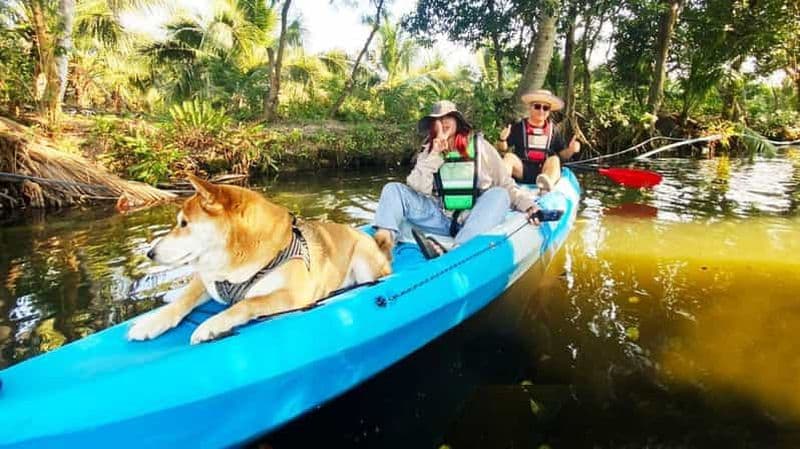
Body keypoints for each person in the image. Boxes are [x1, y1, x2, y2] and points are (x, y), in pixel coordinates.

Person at [372, 100, 540, 260]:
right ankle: (383, 246)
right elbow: (418, 187)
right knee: (393, 189)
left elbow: (506, 183)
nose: (443, 122)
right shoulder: (429, 150)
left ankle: (456, 252)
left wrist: (529, 206)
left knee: (500, 194)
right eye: (437, 120)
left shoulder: (480, 146)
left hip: (473, 218)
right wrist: (434, 154)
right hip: (440, 217)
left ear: (457, 121)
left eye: (447, 117)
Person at [498, 89, 580, 191]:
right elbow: (502, 149)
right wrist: (502, 139)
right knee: (509, 157)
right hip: (522, 169)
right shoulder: (518, 127)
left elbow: (563, 155)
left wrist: (571, 149)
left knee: (555, 159)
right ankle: (501, 188)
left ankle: (546, 186)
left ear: (549, 111)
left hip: (543, 171)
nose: (541, 111)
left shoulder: (554, 130)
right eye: (537, 106)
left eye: (545, 108)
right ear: (530, 107)